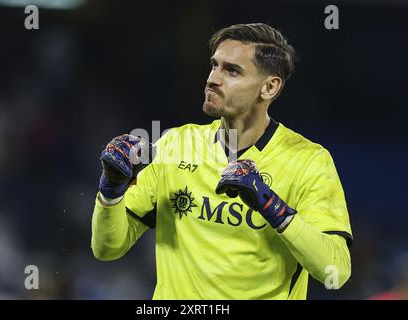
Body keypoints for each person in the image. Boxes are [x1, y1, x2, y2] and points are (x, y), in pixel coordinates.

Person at [91, 23, 353, 299]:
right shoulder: (174, 145)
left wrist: (269, 203)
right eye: (214, 66)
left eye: (231, 70)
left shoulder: (308, 160)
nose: (213, 79)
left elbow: (335, 272)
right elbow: (107, 249)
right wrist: (111, 190)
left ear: (270, 87)